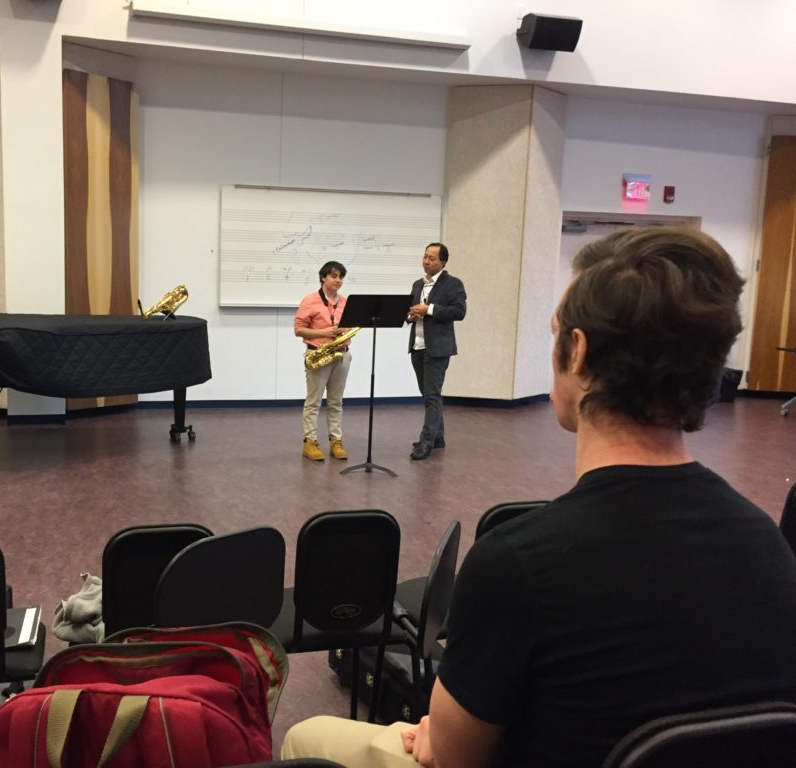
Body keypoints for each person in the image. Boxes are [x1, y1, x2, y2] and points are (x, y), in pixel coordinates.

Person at [282, 227, 796, 766]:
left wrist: (437, 731)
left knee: (309, 737)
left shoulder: (517, 563)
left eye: (556, 332)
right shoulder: (767, 544)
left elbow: (453, 755)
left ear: (576, 352)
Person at [407, 243, 467, 461]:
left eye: (432, 258)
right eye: (425, 257)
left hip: (439, 348)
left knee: (432, 395)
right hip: (418, 346)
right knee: (427, 394)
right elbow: (410, 311)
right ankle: (438, 437)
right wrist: (411, 315)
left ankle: (426, 441)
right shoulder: (417, 284)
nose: (426, 261)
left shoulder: (453, 284)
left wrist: (429, 309)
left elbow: (460, 311)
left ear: (443, 262)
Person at [294, 261, 353, 461]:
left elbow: (351, 326)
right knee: (314, 402)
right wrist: (324, 332)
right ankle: (310, 442)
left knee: (336, 402)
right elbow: (298, 329)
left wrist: (344, 330)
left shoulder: (345, 302)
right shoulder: (310, 300)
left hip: (342, 354)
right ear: (323, 277)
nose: (338, 280)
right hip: (319, 354)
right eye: (334, 276)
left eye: (341, 277)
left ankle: (336, 441)